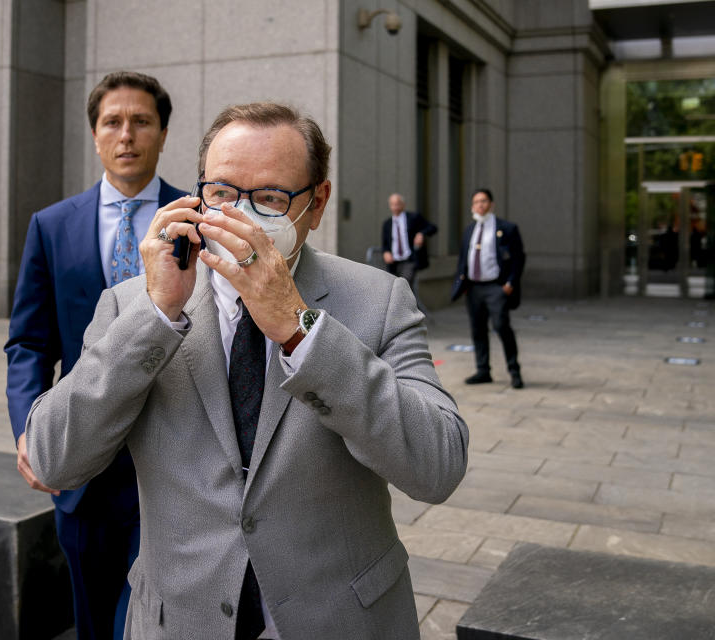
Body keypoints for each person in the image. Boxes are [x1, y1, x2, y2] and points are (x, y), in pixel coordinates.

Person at [24, 102, 469, 639]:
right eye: (222, 192)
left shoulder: (378, 299)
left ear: (317, 202)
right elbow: (52, 458)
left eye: (270, 198)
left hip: (339, 618)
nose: (240, 215)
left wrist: (301, 330)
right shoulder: (132, 304)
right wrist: (156, 316)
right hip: (180, 618)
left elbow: (438, 464)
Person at [5, 71, 187, 640]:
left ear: (162, 133)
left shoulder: (197, 219)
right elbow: (29, 343)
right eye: (113, 122)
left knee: (154, 619)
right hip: (84, 461)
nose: (127, 134)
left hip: (179, 455)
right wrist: (31, 429)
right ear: (95, 134)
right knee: (93, 610)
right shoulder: (51, 226)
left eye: (141, 122)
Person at [450, 188, 525, 389]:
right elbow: (462, 260)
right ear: (472, 206)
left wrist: (510, 284)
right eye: (476, 202)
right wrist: (462, 284)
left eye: (483, 201)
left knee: (501, 326)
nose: (480, 205)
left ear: (491, 204)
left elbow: (518, 258)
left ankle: (514, 370)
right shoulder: (469, 230)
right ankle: (483, 371)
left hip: (496, 287)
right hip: (474, 288)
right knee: (477, 329)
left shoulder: (506, 228)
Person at [381, 193, 437, 293]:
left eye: (398, 204)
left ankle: (405, 307)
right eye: (393, 204)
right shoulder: (387, 224)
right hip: (394, 262)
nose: (395, 207)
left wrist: (421, 233)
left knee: (404, 284)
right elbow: (385, 244)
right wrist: (385, 252)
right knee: (394, 289)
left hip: (409, 260)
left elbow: (432, 228)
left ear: (403, 205)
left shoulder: (413, 218)